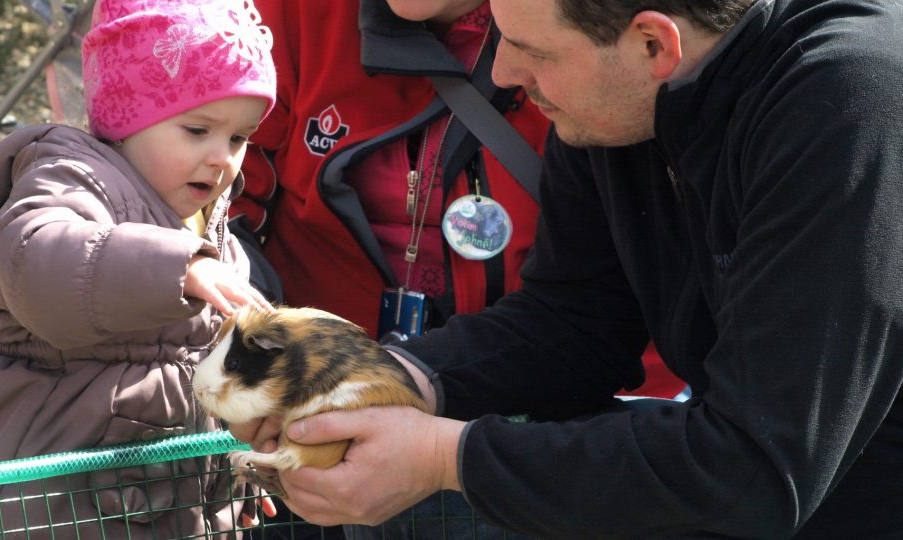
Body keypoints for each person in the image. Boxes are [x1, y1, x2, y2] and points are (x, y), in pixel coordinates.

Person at [230, 0, 903, 537]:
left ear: (653, 45)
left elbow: (753, 467)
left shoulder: (849, 103)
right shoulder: (617, 102)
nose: (503, 74)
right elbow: (574, 320)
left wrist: (443, 457)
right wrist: (391, 380)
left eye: (533, 51)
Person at [234, 0, 684, 537]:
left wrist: (438, 446)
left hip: (563, 431)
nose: (511, 71)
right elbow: (223, 199)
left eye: (532, 53)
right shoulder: (285, 15)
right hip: (320, 427)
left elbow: (590, 315)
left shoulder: (602, 39)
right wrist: (265, 354)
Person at [0, 0, 277, 537]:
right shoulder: (72, 175)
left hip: (166, 495)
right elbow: (38, 261)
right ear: (126, 119)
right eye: (198, 129)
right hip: (56, 493)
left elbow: (207, 378)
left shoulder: (209, 227)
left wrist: (237, 472)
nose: (224, 158)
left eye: (238, 138)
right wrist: (177, 266)